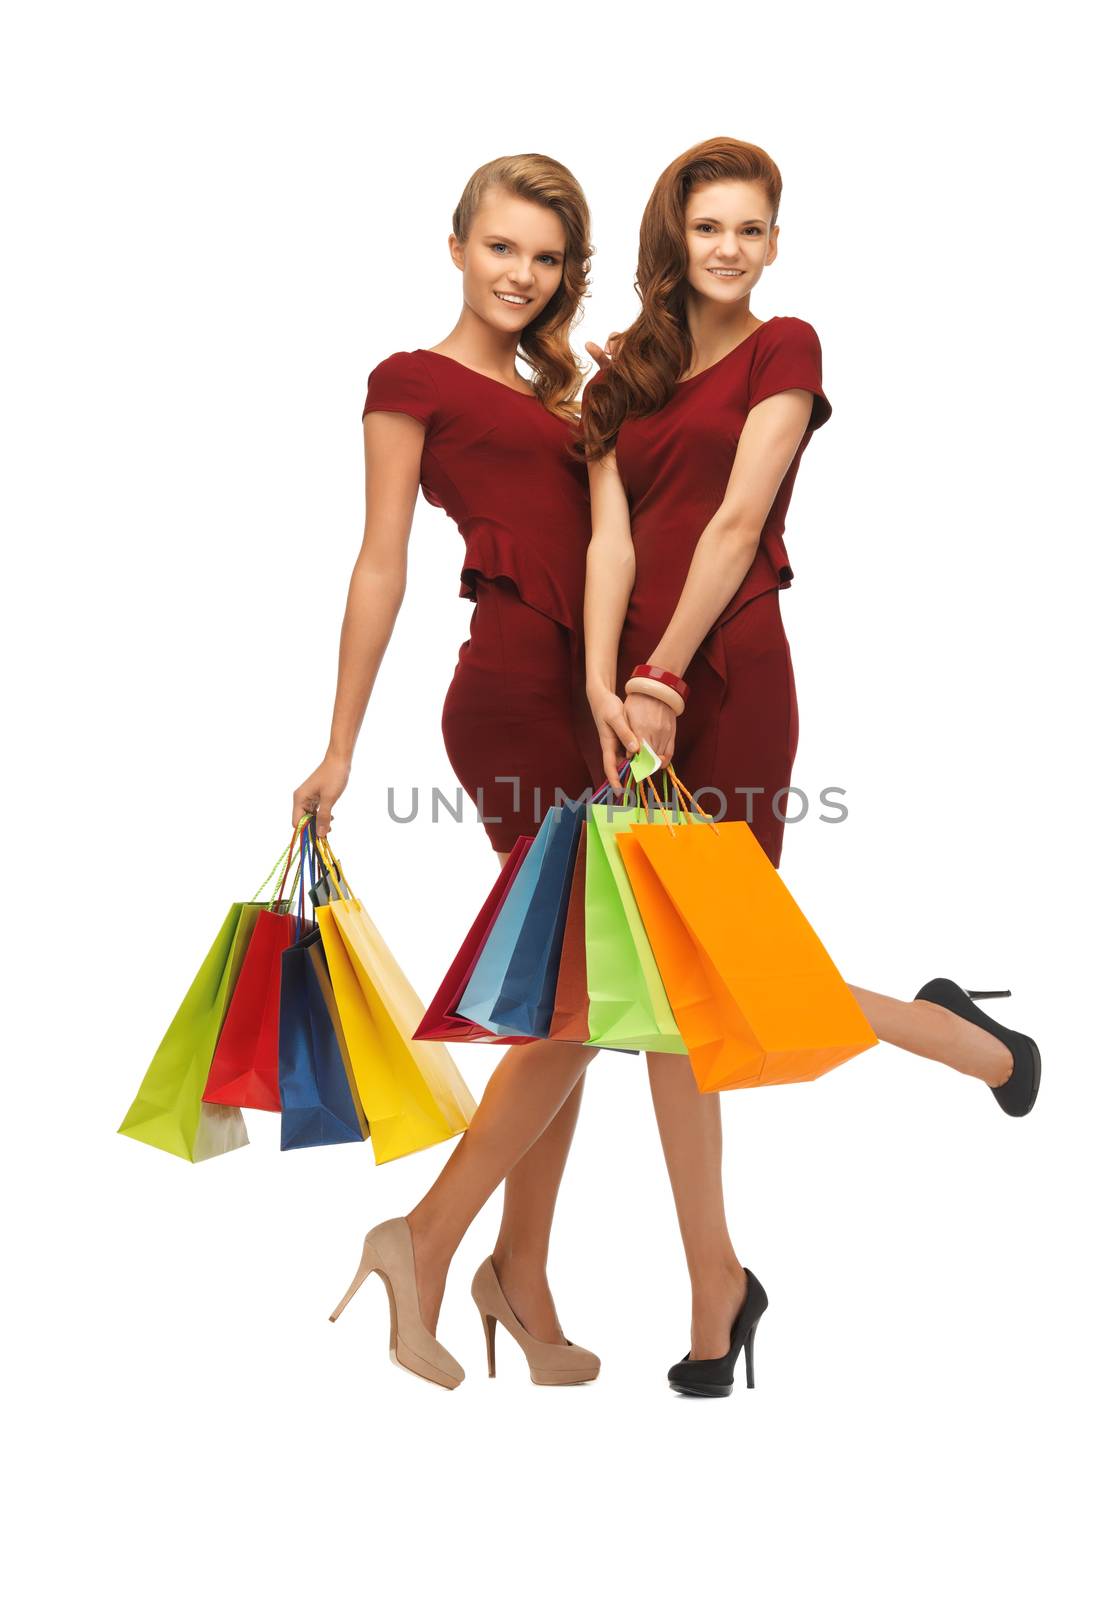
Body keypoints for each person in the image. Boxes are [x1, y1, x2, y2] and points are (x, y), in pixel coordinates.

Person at [580, 136, 1041, 1398]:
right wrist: (606, 688)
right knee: (664, 1003)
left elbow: (736, 519)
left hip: (720, 681)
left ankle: (970, 1044)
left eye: (748, 227)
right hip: (630, 701)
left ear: (773, 242)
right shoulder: (619, 372)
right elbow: (609, 538)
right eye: (705, 226)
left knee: (728, 974)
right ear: (670, 240)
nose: (726, 248)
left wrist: (664, 675)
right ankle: (714, 1289)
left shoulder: (789, 348)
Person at [296, 154, 608, 1389]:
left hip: (594, 704)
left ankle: (516, 1277)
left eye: (544, 258)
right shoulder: (410, 381)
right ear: (457, 245)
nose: (522, 275)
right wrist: (340, 742)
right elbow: (380, 563)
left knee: (573, 1001)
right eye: (502, 248)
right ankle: (428, 1243)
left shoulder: (565, 392)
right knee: (582, 1002)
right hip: (516, 697)